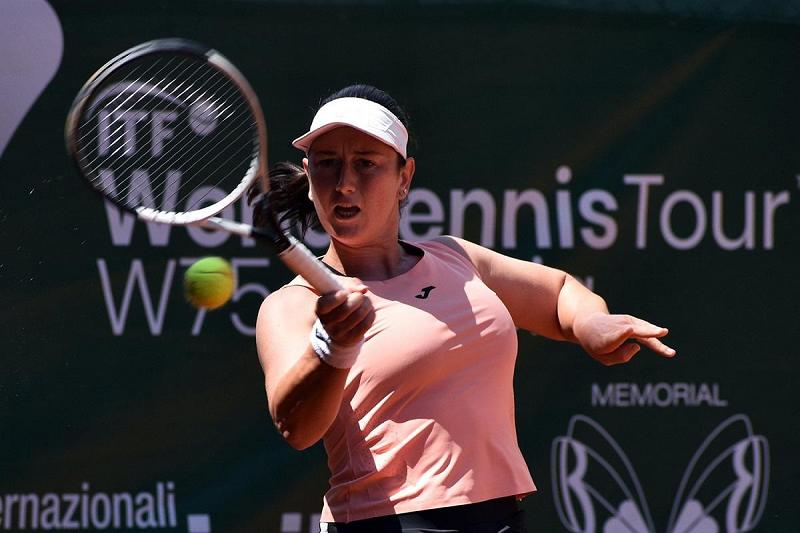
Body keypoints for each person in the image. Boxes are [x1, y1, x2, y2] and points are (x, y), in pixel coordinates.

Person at [253, 85, 675, 533]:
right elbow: (296, 428)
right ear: (309, 176)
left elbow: (559, 293)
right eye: (327, 164)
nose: (345, 183)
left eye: (366, 163)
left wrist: (591, 322)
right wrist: (331, 345)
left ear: (404, 178)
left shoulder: (456, 258)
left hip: (499, 519)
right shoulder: (292, 305)